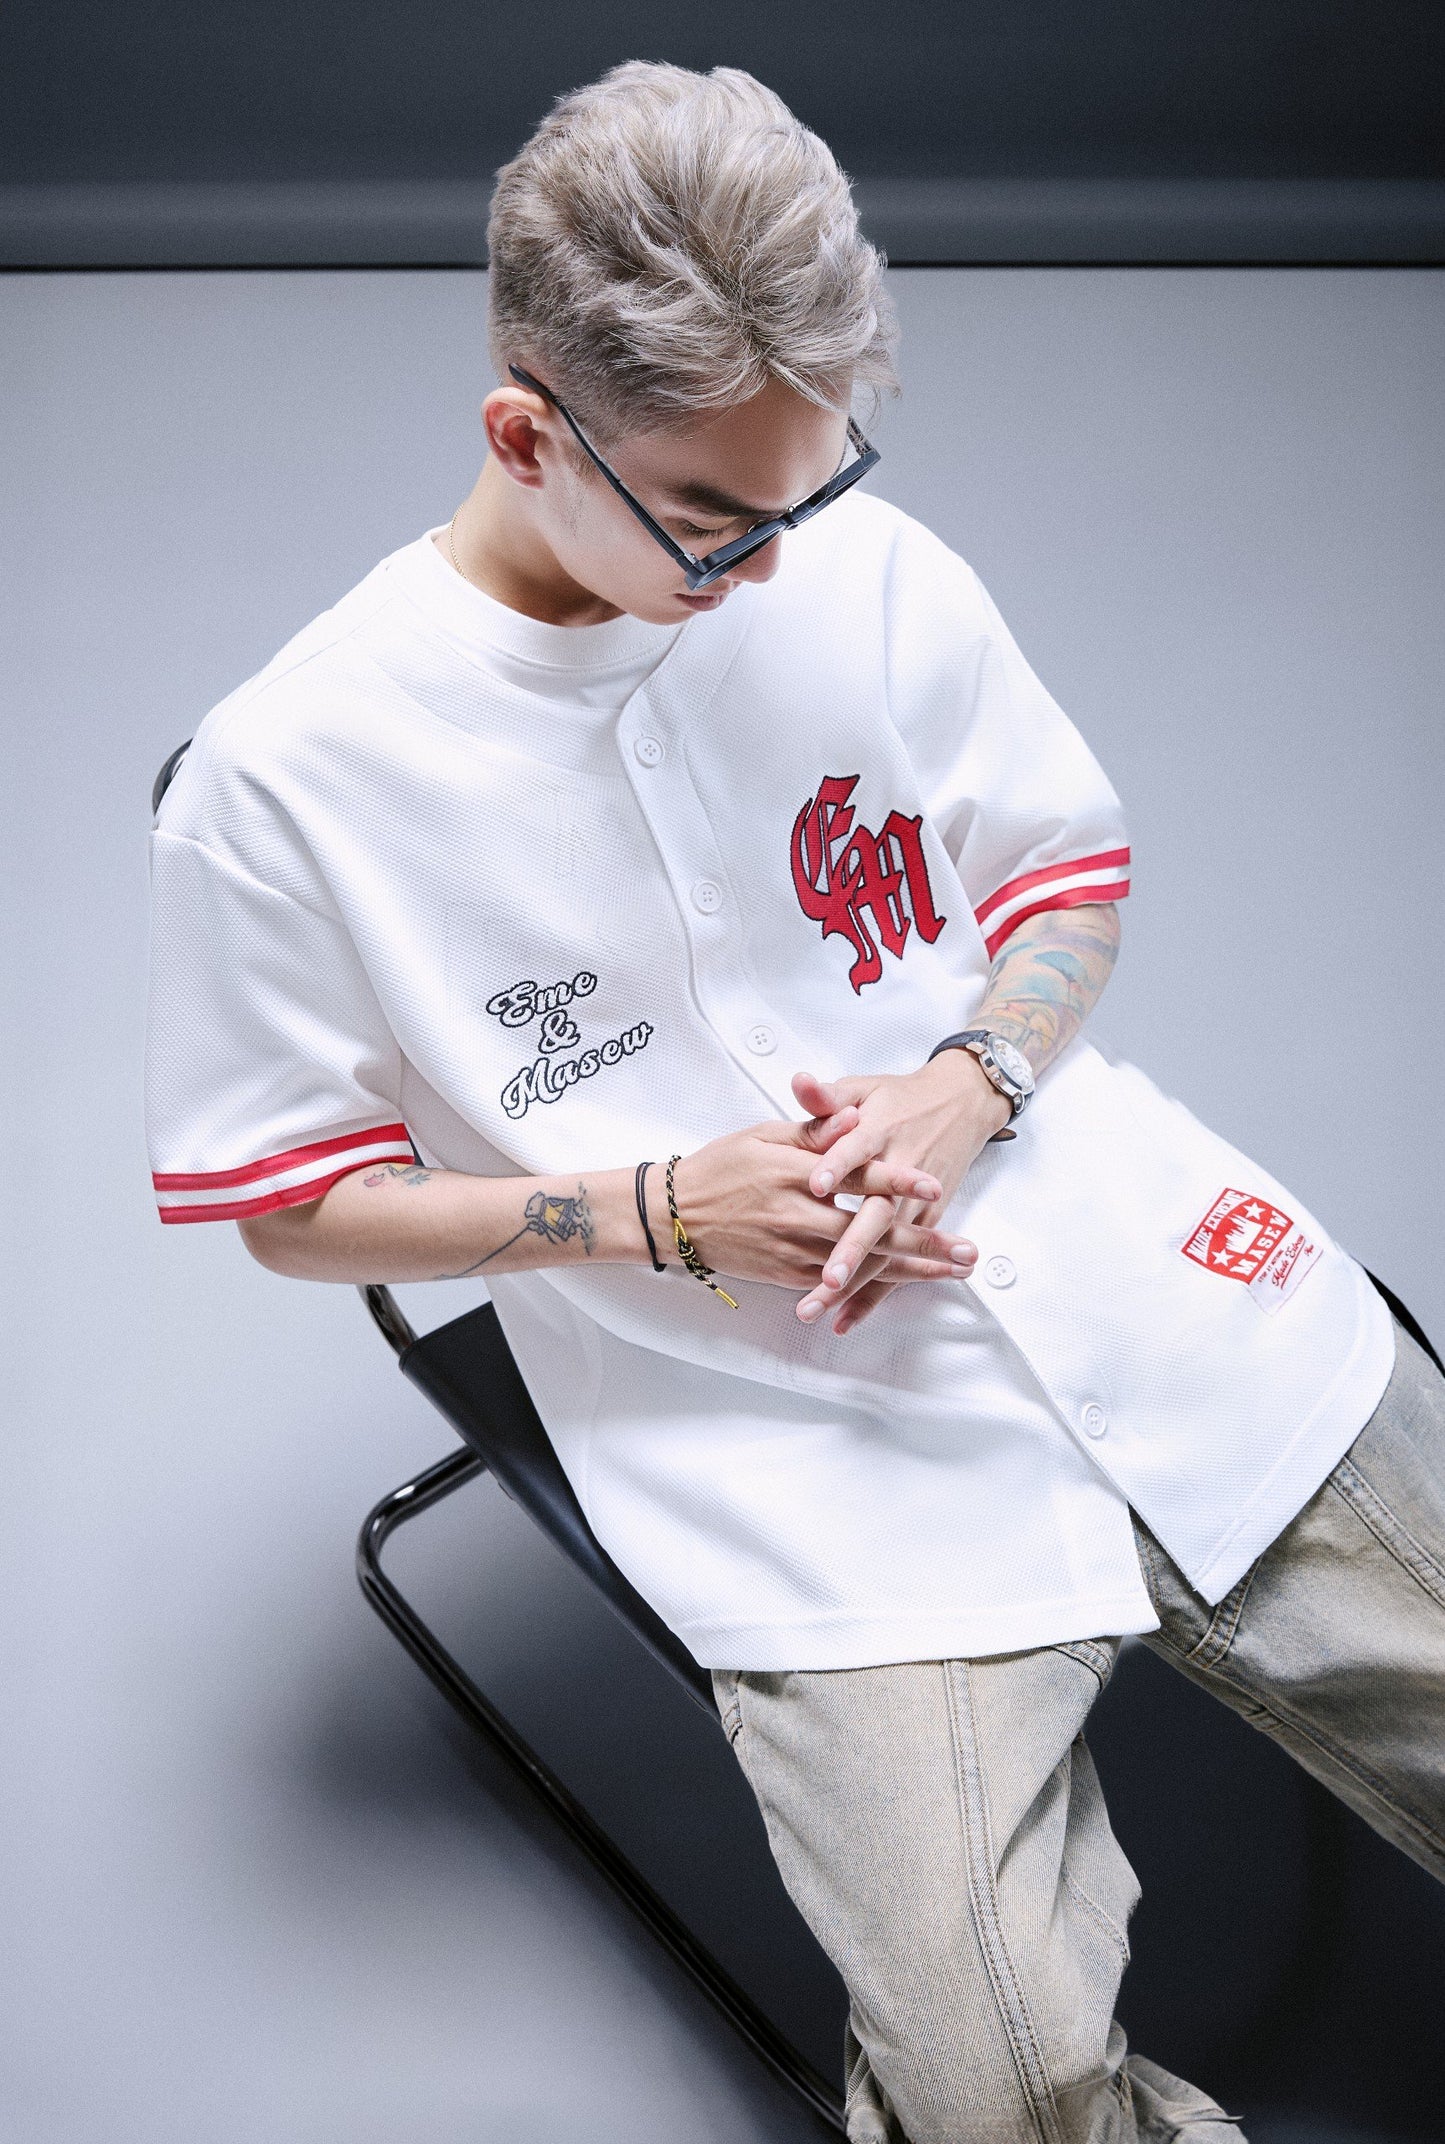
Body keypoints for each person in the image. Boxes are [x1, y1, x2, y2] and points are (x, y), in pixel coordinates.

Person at [145, 60, 1445, 2144]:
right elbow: (291, 1204)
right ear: (525, 435)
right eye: (715, 522)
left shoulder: (860, 560)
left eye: (814, 493)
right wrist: (655, 1208)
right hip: (795, 1449)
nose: (778, 563)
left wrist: (970, 1077)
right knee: (997, 2101)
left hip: (1140, 1279)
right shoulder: (285, 787)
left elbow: (1060, 876)